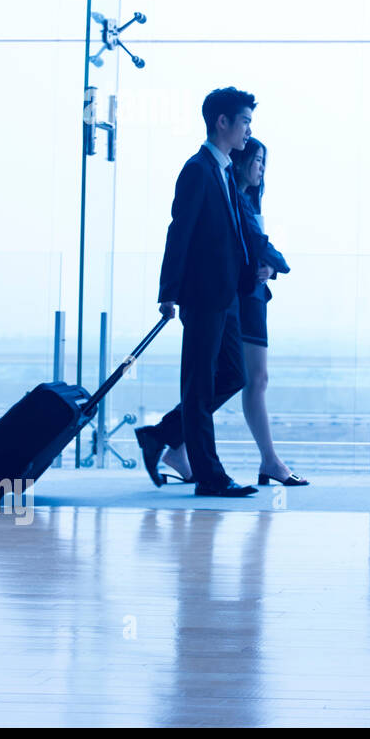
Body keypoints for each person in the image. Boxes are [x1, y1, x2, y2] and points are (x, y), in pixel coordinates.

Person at [134, 86, 269, 498]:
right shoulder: (197, 169)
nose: (249, 130)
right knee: (198, 384)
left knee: (232, 375)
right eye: (244, 121)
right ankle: (209, 476)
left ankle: (161, 434)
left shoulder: (226, 171)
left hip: (228, 295)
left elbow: (233, 235)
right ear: (222, 122)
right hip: (202, 294)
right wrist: (168, 291)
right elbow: (180, 232)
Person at [230, 137, 306, 487]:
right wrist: (281, 265)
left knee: (246, 379)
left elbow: (255, 253)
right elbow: (256, 247)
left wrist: (270, 270)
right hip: (244, 299)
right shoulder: (233, 196)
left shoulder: (247, 200)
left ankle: (173, 440)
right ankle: (270, 461)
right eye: (257, 160)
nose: (261, 168)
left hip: (254, 296)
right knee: (250, 379)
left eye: (264, 162)